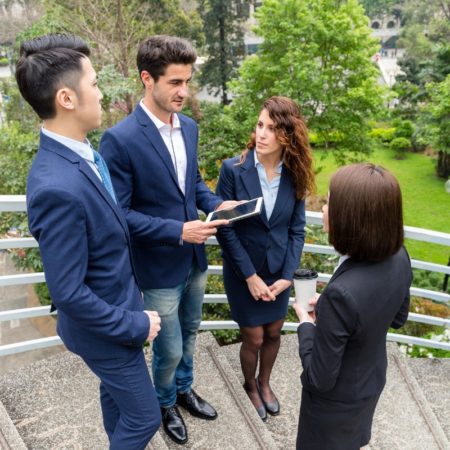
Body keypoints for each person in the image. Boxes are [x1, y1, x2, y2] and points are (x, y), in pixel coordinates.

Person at [16, 34, 162, 450]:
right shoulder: (56, 187)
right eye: (94, 84)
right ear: (66, 98)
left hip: (117, 310)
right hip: (106, 331)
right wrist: (136, 323)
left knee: (117, 400)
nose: (101, 93)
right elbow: (67, 292)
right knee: (145, 418)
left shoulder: (79, 154)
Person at [100, 35, 236, 445]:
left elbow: (192, 186)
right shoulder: (120, 139)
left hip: (194, 259)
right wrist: (178, 231)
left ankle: (183, 389)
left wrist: (219, 204)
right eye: (175, 82)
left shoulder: (189, 127)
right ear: (147, 79)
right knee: (170, 346)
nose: (184, 91)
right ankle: (163, 403)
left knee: (191, 331)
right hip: (157, 266)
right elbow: (120, 215)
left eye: (187, 81)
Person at [293, 163, 413, 450]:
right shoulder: (400, 255)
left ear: (350, 216)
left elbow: (319, 379)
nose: (323, 208)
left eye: (329, 202)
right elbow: (398, 317)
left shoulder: (342, 295)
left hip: (333, 410)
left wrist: (307, 325)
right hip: (369, 383)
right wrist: (337, 317)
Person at [215, 96, 315, 421]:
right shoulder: (233, 170)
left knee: (274, 332)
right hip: (243, 271)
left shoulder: (295, 174)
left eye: (272, 128)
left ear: (287, 135)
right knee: (254, 337)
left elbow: (296, 230)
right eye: (260, 125)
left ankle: (265, 382)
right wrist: (250, 277)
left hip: (278, 271)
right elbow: (225, 229)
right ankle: (249, 384)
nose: (262, 134)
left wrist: (288, 276)